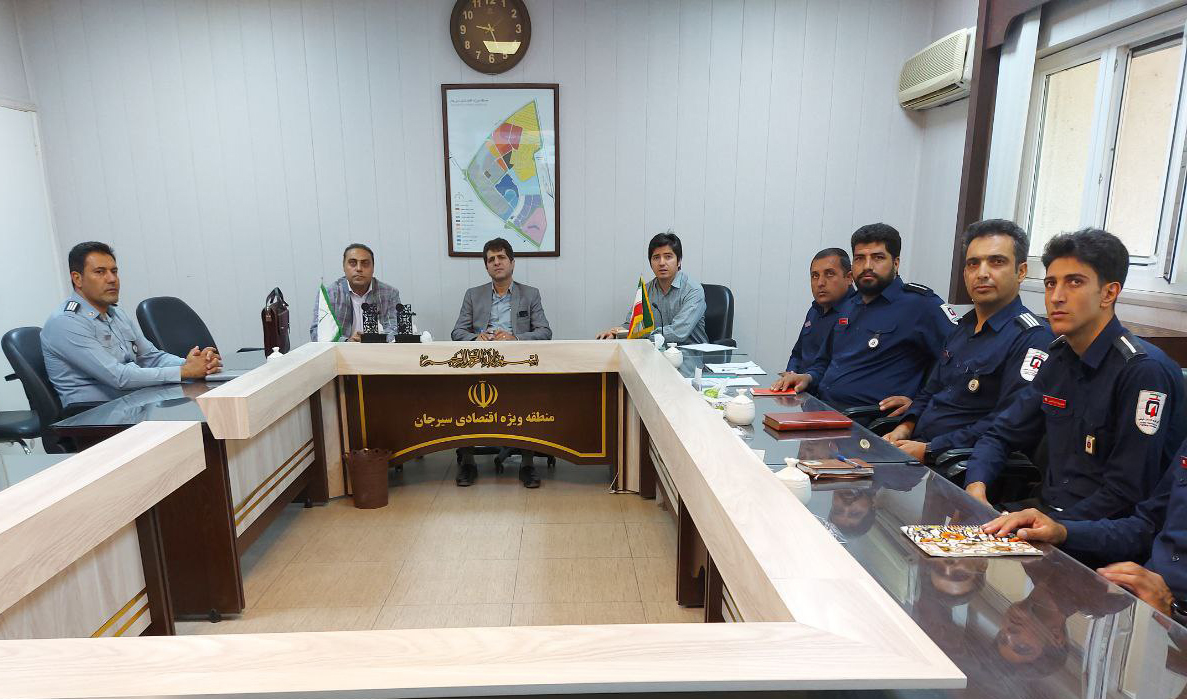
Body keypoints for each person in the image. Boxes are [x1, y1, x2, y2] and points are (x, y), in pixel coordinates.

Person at [964, 229, 1184, 520]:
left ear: (1109, 293)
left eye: (1074, 283)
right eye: (1050, 284)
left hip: (1098, 534)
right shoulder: (1058, 357)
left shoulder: (1143, 372)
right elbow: (1001, 434)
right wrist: (976, 487)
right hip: (1044, 514)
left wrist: (1054, 527)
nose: (1056, 297)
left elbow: (1126, 494)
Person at [881, 220, 1055, 463]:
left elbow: (1007, 423)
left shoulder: (1032, 338)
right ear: (965, 274)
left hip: (957, 464)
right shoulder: (962, 328)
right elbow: (930, 391)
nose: (982, 273)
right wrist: (905, 426)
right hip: (916, 449)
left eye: (997, 262)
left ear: (1021, 271)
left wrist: (930, 449)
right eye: (973, 264)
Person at [982, 444, 1187, 623]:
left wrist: (1173, 610)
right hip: (1140, 598)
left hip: (1173, 620)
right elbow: (1146, 526)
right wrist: (1062, 531)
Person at [773, 223, 959, 408]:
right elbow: (824, 361)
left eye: (878, 257)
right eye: (860, 258)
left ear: (896, 263)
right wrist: (807, 377)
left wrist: (919, 405)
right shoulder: (848, 305)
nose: (867, 266)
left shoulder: (921, 305)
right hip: (822, 410)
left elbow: (961, 361)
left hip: (870, 421)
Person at [42, 241, 220, 413]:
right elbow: (118, 377)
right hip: (96, 419)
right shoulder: (66, 322)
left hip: (134, 407)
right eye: (100, 272)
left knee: (205, 419)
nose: (112, 279)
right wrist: (185, 371)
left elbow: (152, 357)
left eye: (114, 271)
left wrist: (195, 364)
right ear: (77, 279)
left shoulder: (116, 314)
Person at [452, 238, 552, 488]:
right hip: (480, 363)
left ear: (512, 262)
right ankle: (467, 462)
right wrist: (477, 337)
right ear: (486, 266)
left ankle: (527, 464)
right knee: (462, 399)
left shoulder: (530, 294)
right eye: (491, 260)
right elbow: (457, 332)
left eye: (501, 258)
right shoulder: (473, 295)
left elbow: (545, 331)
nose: (496, 263)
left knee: (529, 401)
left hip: (517, 363)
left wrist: (515, 337)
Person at [596, 231, 707, 345]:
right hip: (657, 352)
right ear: (650, 263)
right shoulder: (647, 290)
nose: (662, 263)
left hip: (693, 355)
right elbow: (633, 324)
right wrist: (616, 333)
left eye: (668, 257)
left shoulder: (693, 290)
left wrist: (642, 335)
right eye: (656, 258)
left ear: (678, 261)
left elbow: (678, 332)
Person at [779, 248, 856, 377]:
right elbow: (797, 354)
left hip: (824, 393)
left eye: (829, 274)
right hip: (801, 390)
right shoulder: (814, 310)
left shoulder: (856, 312)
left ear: (849, 278)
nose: (820, 283)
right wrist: (790, 375)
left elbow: (840, 369)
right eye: (815, 276)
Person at [310, 243, 401, 341]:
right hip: (342, 352)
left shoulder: (389, 293)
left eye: (365, 263)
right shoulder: (330, 294)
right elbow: (317, 332)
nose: (359, 268)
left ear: (373, 268)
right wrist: (346, 342)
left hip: (379, 351)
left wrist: (374, 340)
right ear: (344, 267)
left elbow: (396, 328)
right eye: (353, 263)